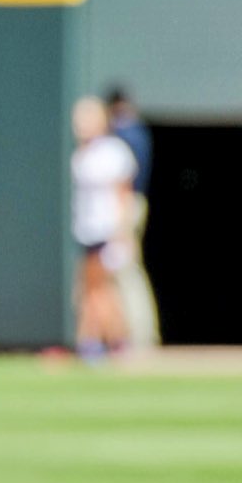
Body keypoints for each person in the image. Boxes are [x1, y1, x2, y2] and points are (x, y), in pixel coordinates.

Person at [71, 96, 136, 365]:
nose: (81, 124)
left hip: (107, 230)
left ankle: (99, 342)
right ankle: (108, 341)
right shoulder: (80, 154)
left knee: (99, 288)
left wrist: (122, 232)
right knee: (92, 288)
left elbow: (123, 194)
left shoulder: (114, 151)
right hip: (86, 230)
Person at [104, 85, 161, 352]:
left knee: (126, 269)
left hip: (126, 205)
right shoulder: (138, 130)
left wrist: (121, 220)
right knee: (120, 270)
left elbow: (123, 181)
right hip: (130, 204)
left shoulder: (126, 133)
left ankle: (140, 337)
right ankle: (130, 334)